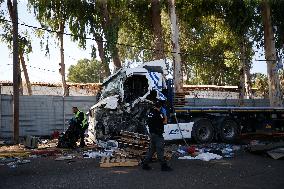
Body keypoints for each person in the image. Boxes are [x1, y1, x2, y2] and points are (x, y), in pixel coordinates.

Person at [142, 100, 172, 171]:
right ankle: (164, 166)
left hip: (151, 134)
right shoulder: (160, 114)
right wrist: (165, 115)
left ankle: (145, 164)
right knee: (160, 150)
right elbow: (165, 122)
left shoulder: (150, 113)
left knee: (151, 150)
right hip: (158, 135)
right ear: (160, 107)